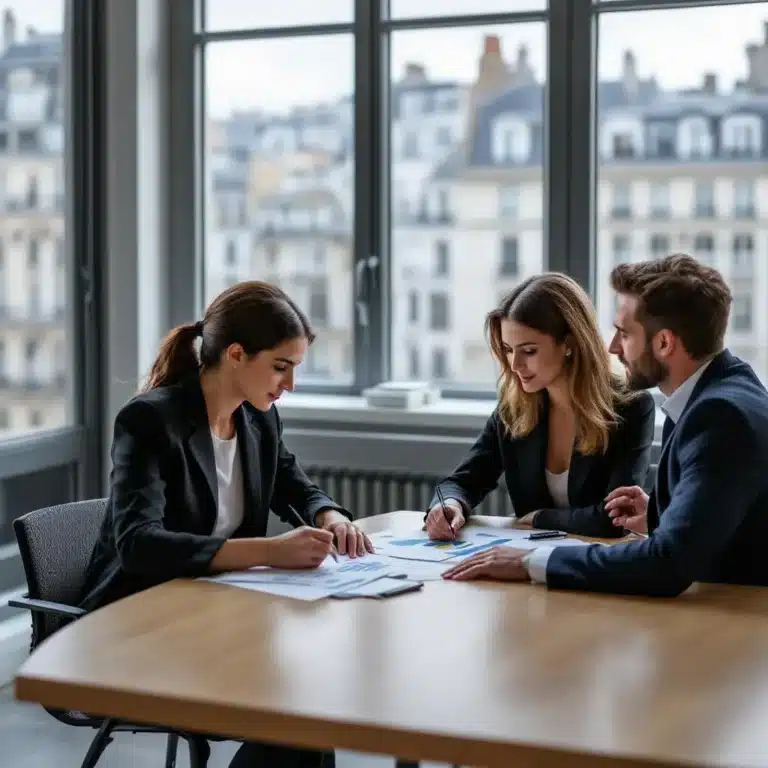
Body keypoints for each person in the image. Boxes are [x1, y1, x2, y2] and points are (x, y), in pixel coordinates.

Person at [79, 281, 373, 768]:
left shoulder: (258, 420)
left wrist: (330, 514)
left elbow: (293, 483)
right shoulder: (149, 420)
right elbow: (138, 545)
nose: (289, 385)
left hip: (218, 615)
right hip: (137, 624)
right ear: (235, 354)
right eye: (281, 367)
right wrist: (270, 551)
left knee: (311, 706)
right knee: (297, 717)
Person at [443, 254, 768, 597]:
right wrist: (659, 517)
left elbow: (666, 564)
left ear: (663, 343)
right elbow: (718, 525)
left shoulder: (718, 416)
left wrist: (531, 562)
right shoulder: (719, 394)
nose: (612, 347)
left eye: (624, 333)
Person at [425, 272, 656, 541]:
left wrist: (540, 517)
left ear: (569, 344)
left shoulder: (632, 407)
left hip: (600, 566)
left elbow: (614, 518)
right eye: (509, 349)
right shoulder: (514, 407)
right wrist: (449, 504)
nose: (514, 365)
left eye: (529, 351)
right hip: (528, 565)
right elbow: (461, 481)